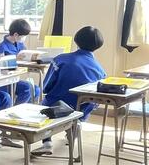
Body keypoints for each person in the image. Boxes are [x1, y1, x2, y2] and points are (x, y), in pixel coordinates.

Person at [32, 26, 107, 156]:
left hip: (55, 106)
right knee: (87, 104)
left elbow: (47, 86)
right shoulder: (100, 70)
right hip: (81, 109)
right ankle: (75, 127)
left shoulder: (60, 59)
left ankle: (47, 143)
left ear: (76, 40)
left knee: (44, 105)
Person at [0, 18, 39, 105]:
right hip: (4, 81)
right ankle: (16, 109)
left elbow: (24, 56)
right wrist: (15, 59)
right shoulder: (1, 47)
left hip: (15, 78)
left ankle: (25, 109)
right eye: (23, 36)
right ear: (16, 35)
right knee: (27, 88)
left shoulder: (20, 44)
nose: (24, 38)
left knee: (36, 89)